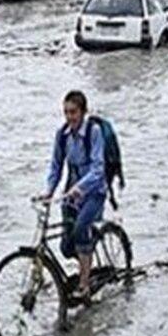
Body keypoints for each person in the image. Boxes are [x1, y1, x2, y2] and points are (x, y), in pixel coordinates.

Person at [40, 90, 107, 304]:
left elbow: (98, 169)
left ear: (83, 112)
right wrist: (49, 190)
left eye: (74, 112)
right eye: (66, 112)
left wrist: (81, 187)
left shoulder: (93, 132)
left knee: (79, 230)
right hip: (71, 193)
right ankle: (87, 263)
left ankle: (85, 285)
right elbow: (56, 165)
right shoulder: (62, 135)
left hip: (94, 192)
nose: (70, 117)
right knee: (66, 247)